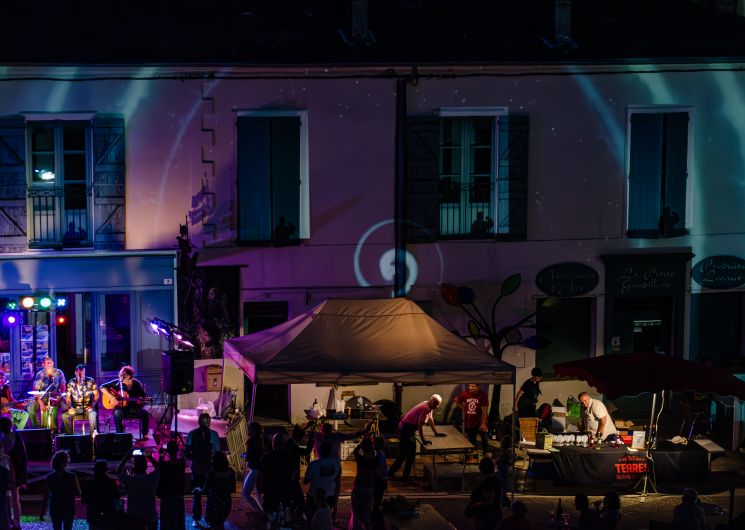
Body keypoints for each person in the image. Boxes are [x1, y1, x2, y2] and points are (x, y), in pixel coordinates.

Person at [388, 394, 446, 482]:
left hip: (408, 428)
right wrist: (423, 440)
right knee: (407, 454)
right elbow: (420, 426)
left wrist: (436, 432)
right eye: (436, 404)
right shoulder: (426, 408)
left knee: (406, 454)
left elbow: (430, 420)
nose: (437, 406)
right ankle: (401, 477)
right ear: (431, 401)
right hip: (406, 429)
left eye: (438, 404)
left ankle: (397, 475)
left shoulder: (428, 405)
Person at [185, 412, 220, 528]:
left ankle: (198, 519)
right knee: (207, 494)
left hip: (200, 467)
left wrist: (196, 458)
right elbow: (218, 452)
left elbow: (187, 452)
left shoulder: (192, 434)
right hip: (205, 468)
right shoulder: (213, 434)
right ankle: (207, 518)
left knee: (198, 494)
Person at [101, 365, 150, 439]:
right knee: (117, 413)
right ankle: (119, 436)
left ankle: (145, 434)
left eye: (125, 378)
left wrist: (141, 402)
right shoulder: (118, 383)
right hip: (121, 409)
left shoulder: (137, 384)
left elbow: (143, 397)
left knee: (145, 413)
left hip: (134, 408)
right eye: (121, 377)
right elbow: (102, 387)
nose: (122, 380)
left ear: (129, 377)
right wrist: (111, 397)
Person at [117, 448, 160, 530]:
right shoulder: (151, 479)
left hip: (133, 518)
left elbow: (118, 472)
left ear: (134, 467)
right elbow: (159, 469)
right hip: (150, 518)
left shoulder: (130, 481)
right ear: (146, 466)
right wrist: (149, 456)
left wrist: (127, 457)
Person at [257, 432, 297, 514]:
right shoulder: (289, 457)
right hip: (284, 489)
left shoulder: (267, 456)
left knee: (269, 514)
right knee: (284, 514)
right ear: (283, 444)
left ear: (273, 443)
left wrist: (259, 487)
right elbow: (294, 474)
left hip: (270, 490)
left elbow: (260, 475)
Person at [41, 450, 81, 530]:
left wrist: (42, 512)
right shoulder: (72, 476)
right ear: (65, 462)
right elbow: (78, 493)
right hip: (68, 507)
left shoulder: (50, 477)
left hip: (55, 507)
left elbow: (46, 496)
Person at [0, 416, 27, 530]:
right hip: (17, 471)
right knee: (15, 499)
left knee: (6, 498)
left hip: (7, 472)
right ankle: (17, 523)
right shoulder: (17, 436)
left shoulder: (3, 440)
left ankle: (10, 520)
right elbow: (23, 456)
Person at [197, 451, 235, 530]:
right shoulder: (231, 472)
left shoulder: (211, 474)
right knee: (219, 524)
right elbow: (232, 489)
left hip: (214, 504)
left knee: (214, 523)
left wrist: (197, 490)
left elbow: (204, 490)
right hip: (226, 503)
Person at [27, 356, 66, 433]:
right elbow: (35, 390)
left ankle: (61, 429)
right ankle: (38, 428)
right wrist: (41, 403)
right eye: (47, 363)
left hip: (55, 397)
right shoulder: (40, 374)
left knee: (66, 406)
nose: (50, 364)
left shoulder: (59, 373)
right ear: (43, 364)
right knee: (30, 408)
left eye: (51, 362)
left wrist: (58, 399)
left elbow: (63, 387)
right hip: (41, 397)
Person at [304, 441, 341, 519]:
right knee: (326, 518)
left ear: (319, 450)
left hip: (314, 496)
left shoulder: (313, 464)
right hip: (330, 495)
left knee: (313, 518)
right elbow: (338, 482)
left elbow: (305, 481)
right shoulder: (336, 463)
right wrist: (335, 502)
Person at [80, 459, 122, 530]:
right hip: (108, 515)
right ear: (105, 470)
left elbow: (83, 501)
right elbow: (117, 499)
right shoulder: (111, 483)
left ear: (94, 469)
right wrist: (120, 513)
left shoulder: (88, 483)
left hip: (92, 515)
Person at [464, 457, 502, 530]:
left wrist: (474, 505)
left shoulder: (489, 482)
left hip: (487, 517)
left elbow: (488, 501)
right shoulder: (495, 480)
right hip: (490, 515)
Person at [348, 438, 377, 530]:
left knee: (356, 510)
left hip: (359, 486)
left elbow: (356, 451)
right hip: (370, 487)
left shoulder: (360, 459)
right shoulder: (375, 460)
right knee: (366, 511)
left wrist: (362, 441)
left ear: (363, 448)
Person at [157, 440, 186, 530]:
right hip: (178, 495)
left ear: (168, 451)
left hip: (167, 496)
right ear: (177, 450)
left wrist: (161, 456)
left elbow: (159, 467)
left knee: (166, 521)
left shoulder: (164, 465)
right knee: (178, 520)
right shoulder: (182, 463)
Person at [63, 364, 99, 435]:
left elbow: (97, 395)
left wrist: (92, 405)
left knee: (93, 415)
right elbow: (67, 397)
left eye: (83, 373)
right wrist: (69, 406)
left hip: (87, 407)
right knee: (64, 416)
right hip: (75, 408)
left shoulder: (90, 381)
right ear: (75, 373)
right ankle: (69, 436)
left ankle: (93, 438)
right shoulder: (71, 382)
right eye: (79, 373)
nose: (81, 375)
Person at [243, 422, 270, 512]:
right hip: (262, 469)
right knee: (258, 492)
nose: (248, 430)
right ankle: (264, 511)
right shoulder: (263, 440)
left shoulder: (251, 441)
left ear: (253, 431)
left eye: (249, 428)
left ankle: (260, 511)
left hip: (255, 470)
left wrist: (244, 455)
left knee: (246, 493)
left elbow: (249, 457)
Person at [456, 383, 490, 454]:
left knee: (484, 439)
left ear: (477, 387)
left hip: (481, 421)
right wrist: (464, 409)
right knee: (471, 440)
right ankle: (473, 456)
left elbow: (484, 411)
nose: (470, 388)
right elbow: (457, 400)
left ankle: (486, 455)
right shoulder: (466, 393)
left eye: (473, 386)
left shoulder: (482, 395)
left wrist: (483, 423)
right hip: (470, 421)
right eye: (469, 386)